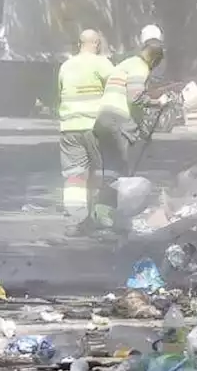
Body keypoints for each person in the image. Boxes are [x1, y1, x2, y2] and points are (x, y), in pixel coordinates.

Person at [95, 24, 167, 226]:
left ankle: (102, 212)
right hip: (117, 119)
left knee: (110, 168)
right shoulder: (140, 67)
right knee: (119, 169)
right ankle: (110, 216)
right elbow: (135, 97)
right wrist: (158, 102)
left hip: (104, 117)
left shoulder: (127, 63)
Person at [57, 29, 114, 232]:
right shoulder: (103, 64)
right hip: (95, 127)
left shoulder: (66, 66)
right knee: (102, 173)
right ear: (97, 44)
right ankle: (102, 220)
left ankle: (75, 221)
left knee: (74, 177)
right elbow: (116, 91)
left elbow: (59, 94)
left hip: (69, 128)